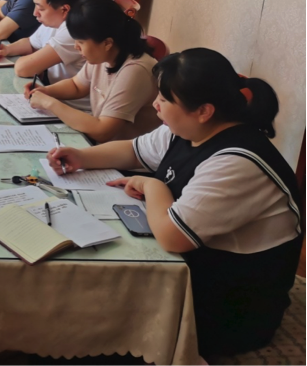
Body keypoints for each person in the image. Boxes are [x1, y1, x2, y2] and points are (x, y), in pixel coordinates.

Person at [47, 48, 302, 357]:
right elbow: (133, 150)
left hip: (231, 307)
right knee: (80, 307)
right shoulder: (189, 129)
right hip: (193, 271)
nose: (155, 104)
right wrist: (81, 156)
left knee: (90, 335)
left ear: (204, 110)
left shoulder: (237, 162)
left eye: (164, 99)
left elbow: (173, 236)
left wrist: (152, 186)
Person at [27, 0, 159, 143]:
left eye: (81, 42)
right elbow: (76, 86)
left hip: (124, 154)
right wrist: (46, 91)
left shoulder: (135, 70)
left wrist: (49, 103)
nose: (76, 47)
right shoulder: (104, 54)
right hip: (104, 147)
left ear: (107, 43)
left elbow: (102, 132)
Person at [0, 0, 90, 111]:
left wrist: (30, 60)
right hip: (54, 100)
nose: (35, 13)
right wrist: (7, 49)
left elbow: (24, 69)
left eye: (40, 8)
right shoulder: (55, 19)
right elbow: (31, 43)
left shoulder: (74, 31)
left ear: (64, 9)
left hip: (74, 110)